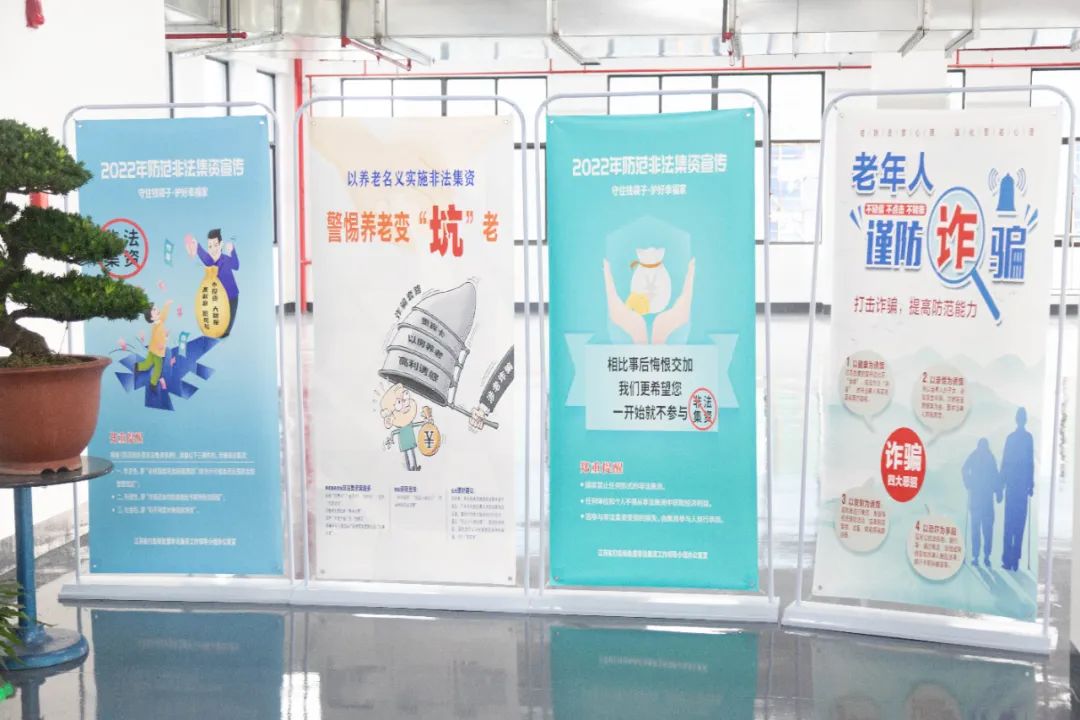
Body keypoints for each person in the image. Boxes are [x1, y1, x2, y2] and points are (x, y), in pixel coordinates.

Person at [187, 229, 240, 337]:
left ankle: (224, 334)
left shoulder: (225, 259)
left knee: (227, 328)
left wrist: (232, 251)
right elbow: (205, 257)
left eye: (215, 245)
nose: (213, 249)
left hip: (232, 295)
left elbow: (236, 265)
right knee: (218, 321)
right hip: (219, 299)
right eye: (210, 246)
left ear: (221, 244)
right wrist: (197, 246)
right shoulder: (210, 261)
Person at [1001, 407, 1035, 571]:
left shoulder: (1010, 438)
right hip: (1021, 487)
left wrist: (1001, 484)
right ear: (1025, 420)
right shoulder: (1028, 438)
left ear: (1016, 419)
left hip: (1012, 487)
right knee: (1019, 524)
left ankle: (1008, 559)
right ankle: (1015, 559)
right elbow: (1030, 463)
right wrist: (1031, 484)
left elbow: (1005, 462)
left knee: (1009, 523)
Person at [962, 437, 1002, 568]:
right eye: (982, 447)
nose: (983, 450)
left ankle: (985, 555)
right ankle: (978, 556)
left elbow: (995, 476)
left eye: (984, 447)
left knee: (985, 529)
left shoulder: (988, 458)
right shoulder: (978, 456)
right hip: (979, 500)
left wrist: (998, 492)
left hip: (984, 500)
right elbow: (964, 469)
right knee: (979, 529)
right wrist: (968, 482)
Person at [380, 383, 432, 472]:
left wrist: (424, 422)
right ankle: (411, 468)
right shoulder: (401, 425)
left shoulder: (408, 424)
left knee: (411, 453)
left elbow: (415, 425)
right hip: (405, 441)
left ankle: (414, 467)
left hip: (409, 440)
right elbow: (394, 432)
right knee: (408, 453)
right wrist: (391, 439)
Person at [135, 300, 172, 391]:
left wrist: (166, 305)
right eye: (154, 310)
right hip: (157, 352)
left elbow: (163, 315)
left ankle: (137, 366)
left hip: (153, 349)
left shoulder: (159, 321)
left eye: (156, 309)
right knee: (158, 368)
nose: (157, 310)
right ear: (152, 318)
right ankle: (153, 383)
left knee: (147, 364)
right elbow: (158, 338)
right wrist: (164, 339)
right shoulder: (157, 327)